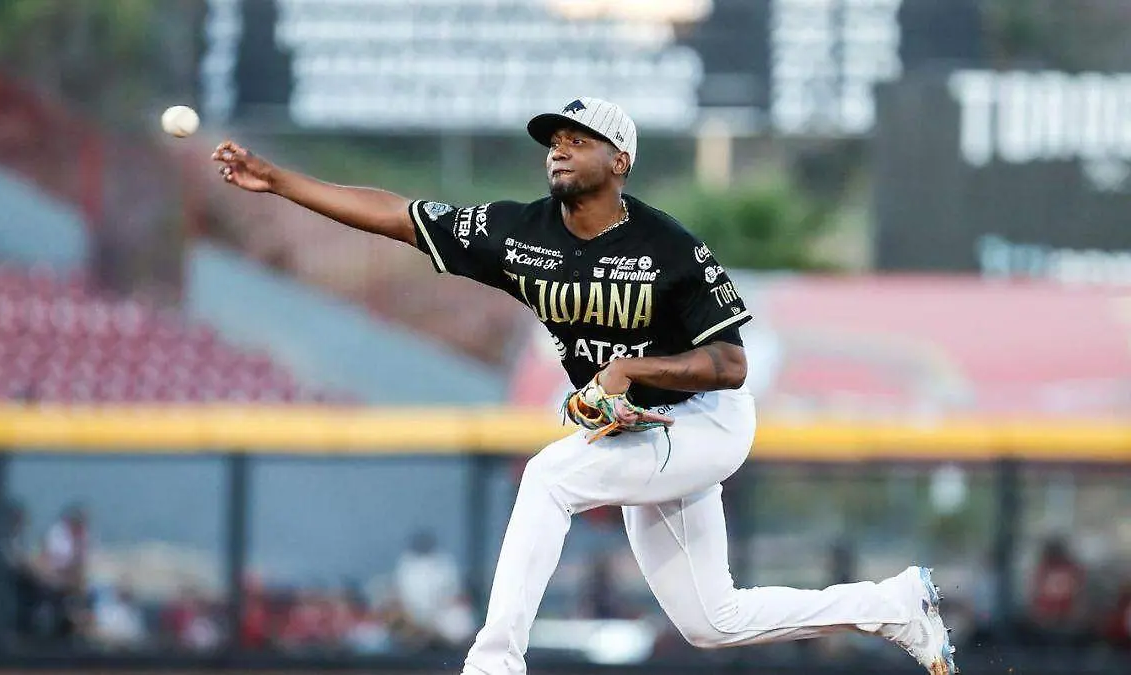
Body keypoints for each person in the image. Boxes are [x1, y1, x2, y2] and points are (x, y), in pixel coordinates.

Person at [212, 97, 958, 675]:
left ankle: (494, 662)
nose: (560, 149)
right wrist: (279, 182)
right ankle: (892, 605)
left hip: (706, 421)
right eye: (554, 141)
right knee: (712, 620)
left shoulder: (669, 246)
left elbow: (731, 364)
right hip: (639, 432)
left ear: (619, 159)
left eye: (578, 139)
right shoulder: (521, 233)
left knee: (549, 476)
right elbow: (399, 216)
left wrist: (632, 370)